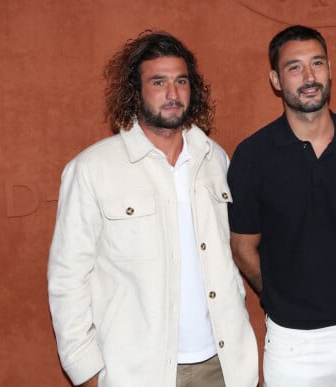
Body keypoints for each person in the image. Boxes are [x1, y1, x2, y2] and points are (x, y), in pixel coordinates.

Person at [48, 30, 258, 387]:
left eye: (181, 81)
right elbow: (67, 278)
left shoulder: (214, 160)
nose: (173, 94)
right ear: (135, 92)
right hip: (137, 371)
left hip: (221, 366)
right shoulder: (92, 170)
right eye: (158, 82)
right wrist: (87, 371)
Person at [227, 25, 336, 386]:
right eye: (294, 67)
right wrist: (282, 290)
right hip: (295, 346)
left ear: (329, 69)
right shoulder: (252, 156)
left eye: (317, 63)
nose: (309, 77)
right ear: (276, 80)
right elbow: (243, 245)